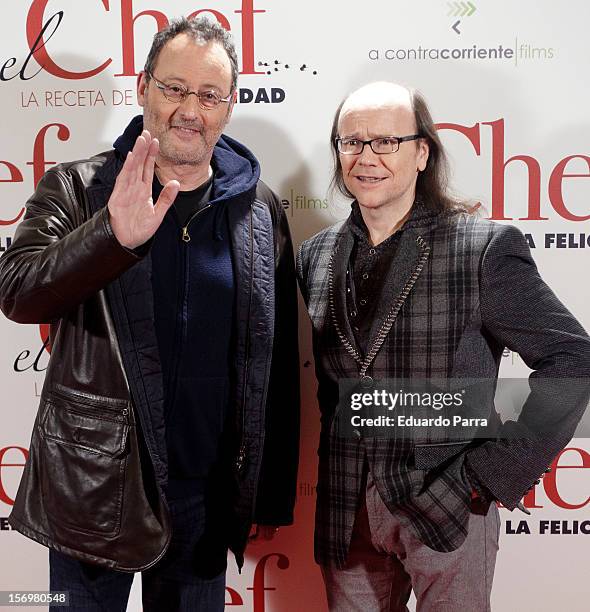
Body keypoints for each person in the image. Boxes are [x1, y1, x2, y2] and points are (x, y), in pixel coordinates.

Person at [0, 17, 299, 612]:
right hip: (93, 489)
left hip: (204, 499)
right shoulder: (78, 188)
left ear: (229, 106)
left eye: (209, 95)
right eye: (174, 88)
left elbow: (276, 362)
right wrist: (110, 235)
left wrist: (264, 497)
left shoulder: (258, 210)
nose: (190, 109)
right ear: (143, 89)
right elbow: (18, 292)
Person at [296, 81, 590, 611]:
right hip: (346, 510)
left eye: (386, 142)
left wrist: (492, 473)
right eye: (351, 142)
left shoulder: (482, 248)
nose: (366, 157)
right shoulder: (314, 256)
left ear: (422, 152)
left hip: (451, 503)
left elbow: (573, 358)